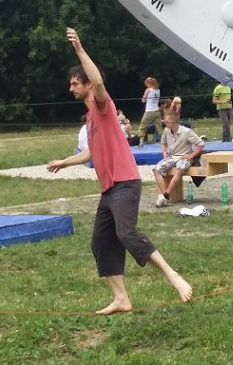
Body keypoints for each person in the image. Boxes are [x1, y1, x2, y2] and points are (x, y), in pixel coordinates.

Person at [47, 28, 192, 315]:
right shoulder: (90, 117)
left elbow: (99, 80)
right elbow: (92, 151)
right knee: (101, 241)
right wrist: (65, 162)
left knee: (126, 233)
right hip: (109, 188)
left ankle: (172, 276)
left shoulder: (103, 105)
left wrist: (79, 49)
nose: (71, 88)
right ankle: (121, 299)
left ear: (88, 85)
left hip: (125, 183)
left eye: (75, 83)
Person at [152, 111, 205, 207]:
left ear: (172, 122)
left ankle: (166, 195)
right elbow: (163, 143)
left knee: (179, 170)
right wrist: (164, 153)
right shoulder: (166, 131)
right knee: (156, 169)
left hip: (183, 157)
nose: (164, 123)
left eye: (167, 121)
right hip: (172, 157)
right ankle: (164, 196)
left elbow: (201, 144)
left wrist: (191, 156)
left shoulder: (187, 132)